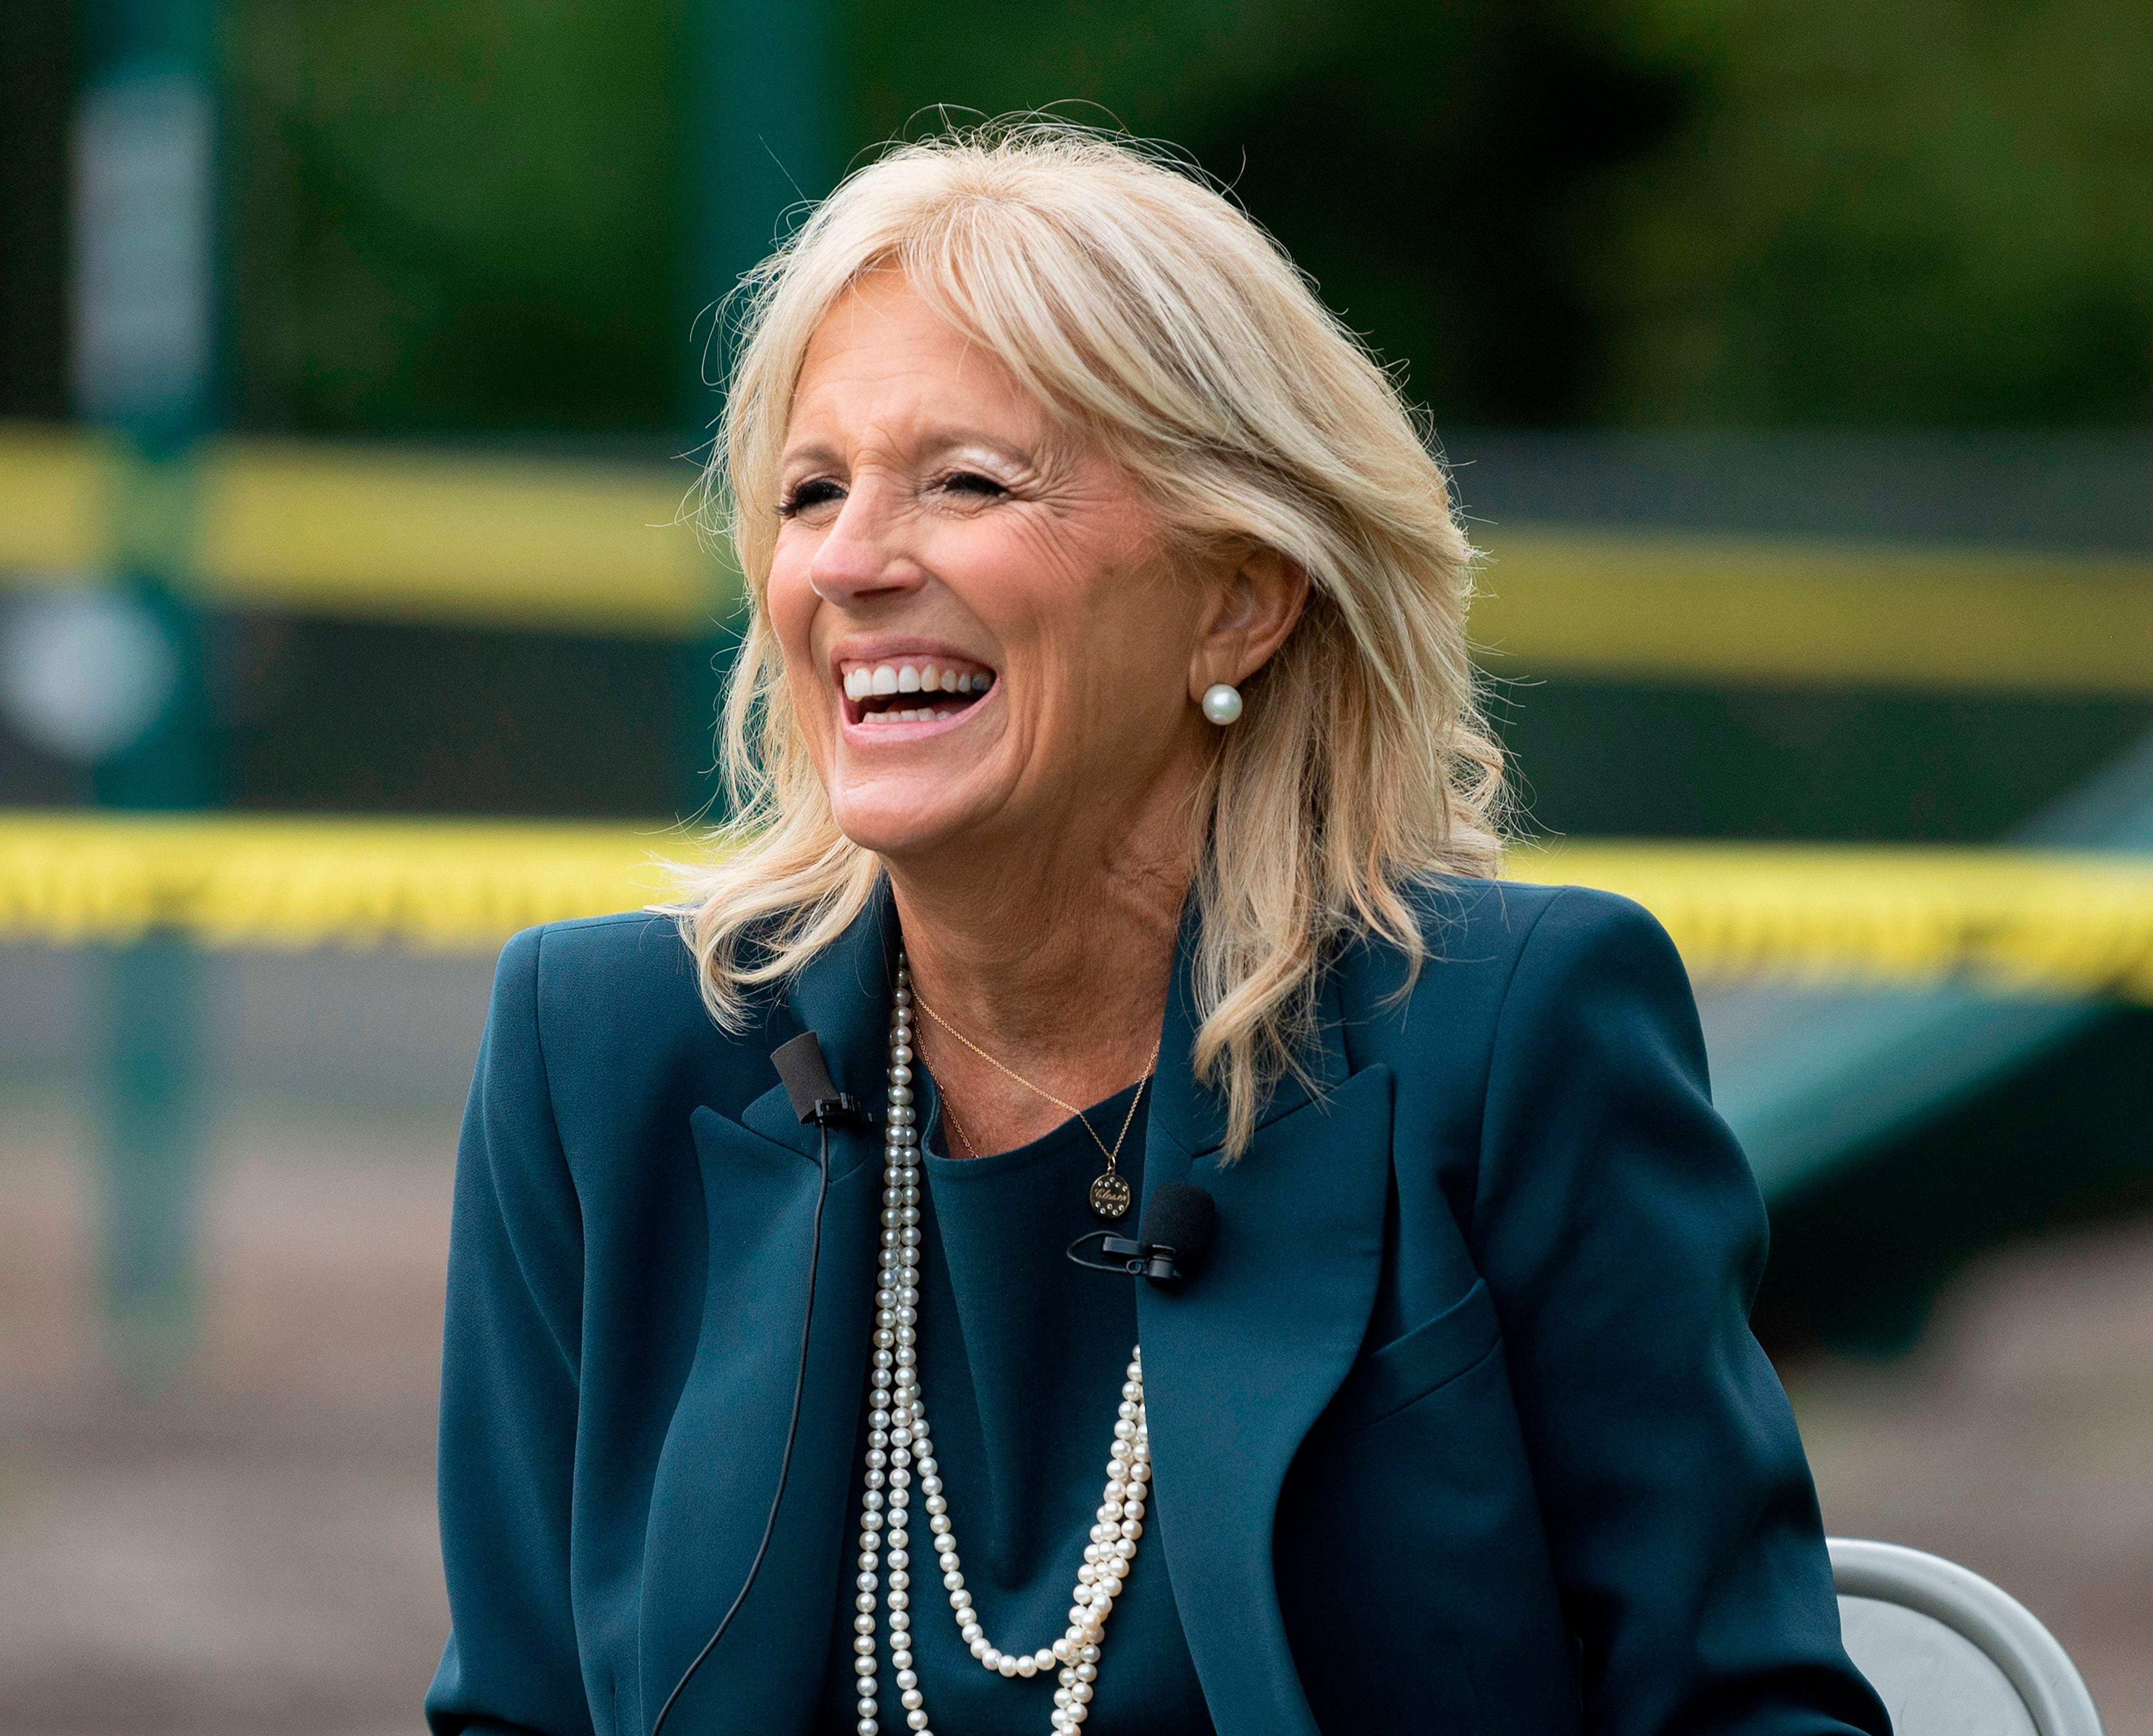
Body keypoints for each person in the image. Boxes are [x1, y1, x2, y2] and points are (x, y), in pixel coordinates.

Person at [426, 122, 1889, 1736]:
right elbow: (521, 1711)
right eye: (811, 491)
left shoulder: (1512, 1034)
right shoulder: (603, 1053)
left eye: (969, 483)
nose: (847, 563)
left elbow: (1745, 1711)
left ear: (1239, 597)